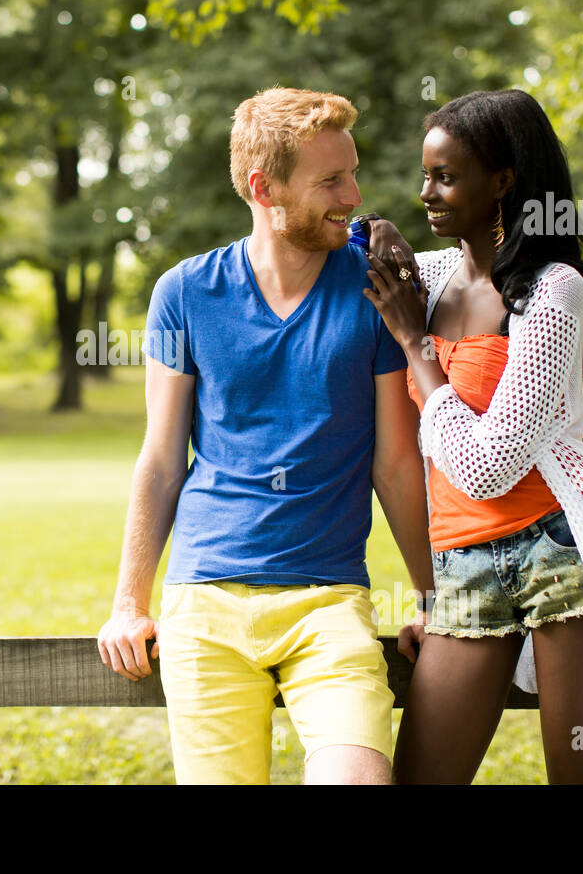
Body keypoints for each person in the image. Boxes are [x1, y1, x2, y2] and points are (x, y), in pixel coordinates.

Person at [96, 86, 436, 784]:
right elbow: (162, 461)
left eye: (353, 171)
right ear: (264, 187)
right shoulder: (185, 293)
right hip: (205, 604)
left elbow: (397, 465)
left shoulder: (374, 290)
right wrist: (129, 604)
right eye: (331, 180)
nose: (355, 192)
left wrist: (433, 597)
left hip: (328, 603)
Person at [362, 89, 583, 784]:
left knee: (579, 777)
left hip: (558, 552)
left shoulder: (552, 290)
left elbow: (489, 464)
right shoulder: (428, 281)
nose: (426, 192)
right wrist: (370, 231)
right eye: (424, 175)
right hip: (463, 563)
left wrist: (416, 345)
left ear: (502, 182)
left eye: (445, 176)